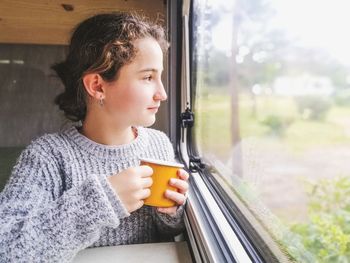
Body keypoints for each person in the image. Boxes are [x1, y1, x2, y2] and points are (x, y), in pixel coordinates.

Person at [0, 12, 189, 262]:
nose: (162, 94)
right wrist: (102, 201)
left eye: (159, 76)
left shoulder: (158, 145)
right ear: (97, 86)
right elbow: (8, 249)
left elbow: (167, 233)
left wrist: (170, 214)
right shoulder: (47, 158)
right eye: (147, 77)